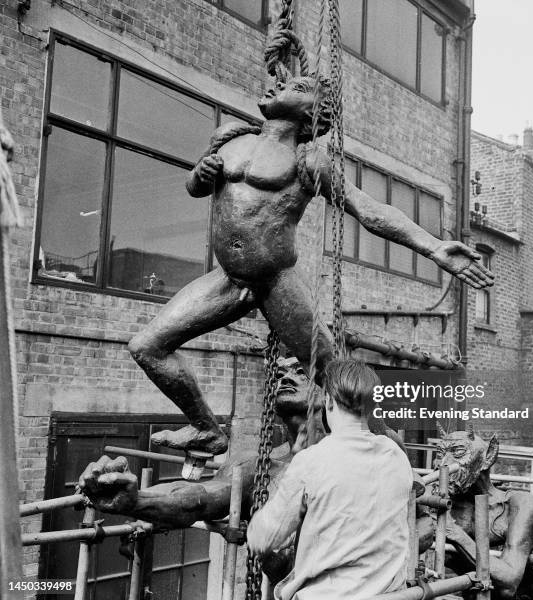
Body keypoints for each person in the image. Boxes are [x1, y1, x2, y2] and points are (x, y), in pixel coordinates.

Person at [126, 71, 494, 458]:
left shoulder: (310, 160)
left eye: (296, 88)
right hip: (228, 279)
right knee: (147, 346)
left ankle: (392, 452)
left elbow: (368, 211)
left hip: (276, 284)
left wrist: (433, 247)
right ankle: (206, 430)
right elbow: (196, 187)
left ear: (314, 114)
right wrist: (199, 175)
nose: (276, 87)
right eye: (281, 84)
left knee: (336, 375)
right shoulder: (233, 137)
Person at [78, 357, 432, 588]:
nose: (284, 377)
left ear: (328, 397)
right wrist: (136, 500)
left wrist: (262, 525)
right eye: (280, 373)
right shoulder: (257, 466)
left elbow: (262, 538)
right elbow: (198, 499)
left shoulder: (319, 462)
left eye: (299, 371)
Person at [247, 358, 414, 599]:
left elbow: (265, 537)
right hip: (389, 595)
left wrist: (251, 526)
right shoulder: (396, 455)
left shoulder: (311, 461)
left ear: (329, 401)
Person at [435, 426, 533, 600]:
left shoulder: (519, 504)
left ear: (488, 457)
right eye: (440, 454)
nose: (443, 464)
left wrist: (454, 533)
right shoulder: (448, 504)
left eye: (458, 452)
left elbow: (509, 583)